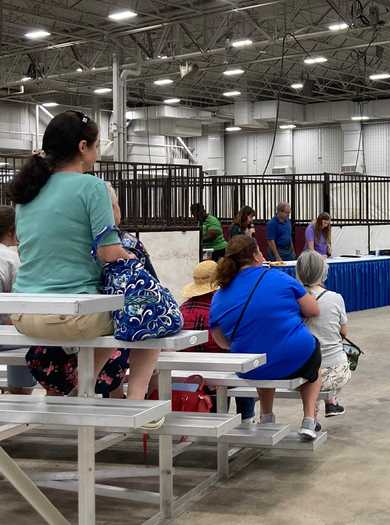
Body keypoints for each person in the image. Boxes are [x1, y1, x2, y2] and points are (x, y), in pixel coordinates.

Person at [8, 111, 159, 410]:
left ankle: (82, 385)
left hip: (24, 315)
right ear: (82, 147)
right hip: (74, 316)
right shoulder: (93, 187)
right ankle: (137, 402)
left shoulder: (28, 193)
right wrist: (131, 256)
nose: (98, 150)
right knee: (150, 314)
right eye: (97, 144)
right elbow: (108, 253)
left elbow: (28, 252)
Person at [209, 235, 322, 440]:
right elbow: (313, 309)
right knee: (313, 362)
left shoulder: (220, 294)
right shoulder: (279, 278)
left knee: (260, 354)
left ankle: (267, 416)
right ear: (256, 255)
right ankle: (308, 419)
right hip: (294, 357)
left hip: (251, 367)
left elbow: (220, 341)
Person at [180, 260, 256, 422]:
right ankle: (247, 418)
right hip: (219, 369)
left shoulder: (183, 309)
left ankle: (215, 416)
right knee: (243, 364)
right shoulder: (223, 309)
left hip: (189, 370)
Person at [296, 250, 350, 417]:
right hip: (334, 371)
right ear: (323, 271)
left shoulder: (292, 298)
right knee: (337, 356)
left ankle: (314, 413)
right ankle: (331, 401)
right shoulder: (335, 298)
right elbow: (343, 332)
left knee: (312, 362)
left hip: (301, 371)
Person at [0, 206, 37, 395]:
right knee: (26, 332)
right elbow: (17, 306)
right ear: (12, 230)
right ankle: (20, 389)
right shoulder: (11, 259)